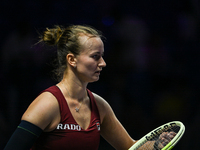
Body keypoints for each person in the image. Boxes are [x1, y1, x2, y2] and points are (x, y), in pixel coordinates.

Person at [4, 24, 174, 150]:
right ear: (72, 59)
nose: (103, 63)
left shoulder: (99, 106)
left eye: (102, 56)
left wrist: (157, 144)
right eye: (95, 57)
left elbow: (130, 147)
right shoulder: (48, 104)